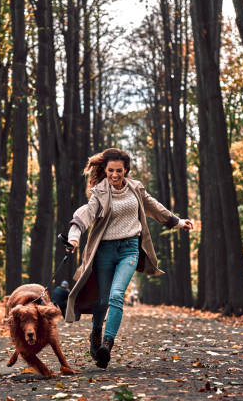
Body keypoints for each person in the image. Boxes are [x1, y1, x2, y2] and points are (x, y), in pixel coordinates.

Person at [65, 148, 193, 369]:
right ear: (105, 170)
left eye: (119, 171)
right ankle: (96, 333)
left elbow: (154, 207)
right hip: (104, 251)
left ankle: (107, 344)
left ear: (126, 171)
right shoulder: (99, 193)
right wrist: (74, 237)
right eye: (111, 170)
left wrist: (178, 222)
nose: (115, 175)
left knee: (116, 295)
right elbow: (85, 213)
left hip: (129, 248)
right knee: (103, 300)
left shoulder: (135, 189)